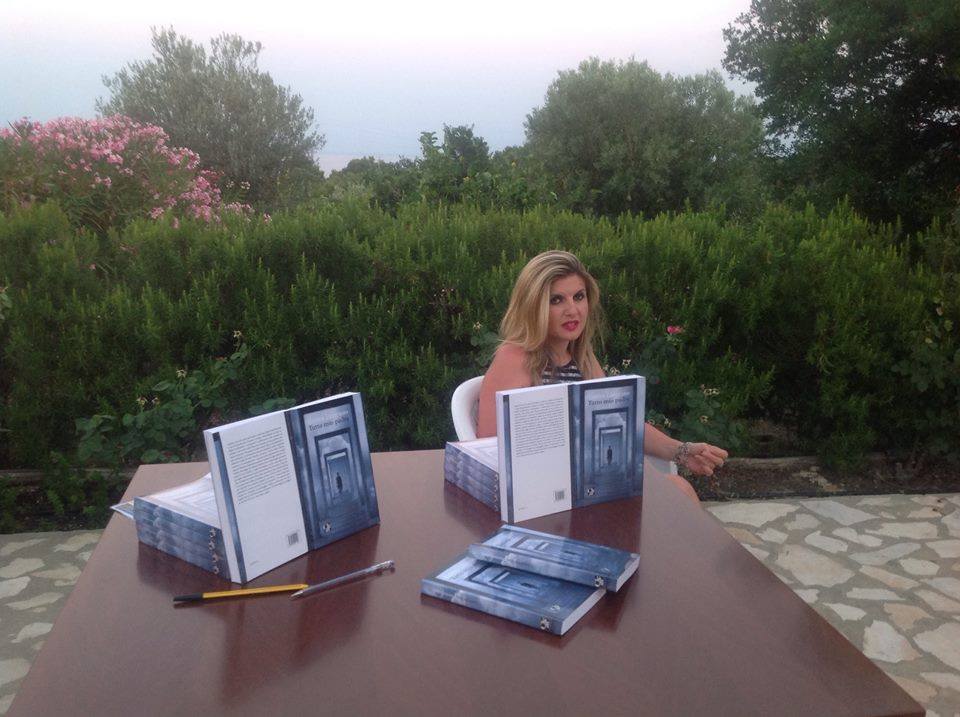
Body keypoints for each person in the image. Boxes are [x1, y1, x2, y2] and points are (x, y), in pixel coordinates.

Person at [476, 250, 728, 504]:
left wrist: (681, 451)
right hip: (541, 497)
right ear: (533, 306)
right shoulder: (514, 358)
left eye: (579, 296)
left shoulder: (583, 359)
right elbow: (487, 450)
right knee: (673, 494)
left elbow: (619, 421)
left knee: (679, 488)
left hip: (590, 485)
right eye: (556, 300)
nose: (572, 310)